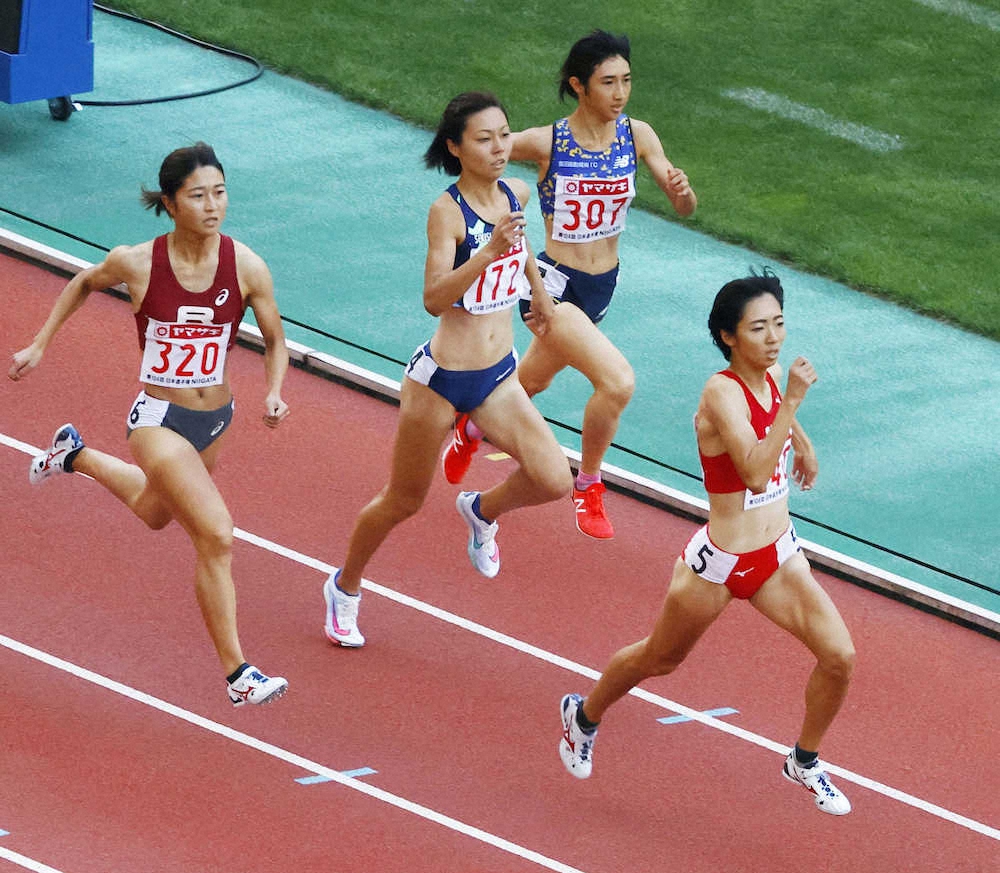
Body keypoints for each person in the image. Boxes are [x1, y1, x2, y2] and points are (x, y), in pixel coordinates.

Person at [557, 271, 856, 816]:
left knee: (839, 657)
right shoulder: (721, 391)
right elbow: (756, 471)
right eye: (759, 328)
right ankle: (584, 714)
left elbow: (773, 421)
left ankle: (804, 760)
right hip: (718, 564)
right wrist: (793, 403)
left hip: (778, 556)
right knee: (658, 658)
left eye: (779, 325)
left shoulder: (766, 381)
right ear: (728, 337)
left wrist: (803, 441)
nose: (773, 338)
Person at [9, 142, 291, 708]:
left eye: (220, 192)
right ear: (170, 202)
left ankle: (74, 455)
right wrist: (41, 342)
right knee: (215, 534)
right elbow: (84, 282)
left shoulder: (247, 266)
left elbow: (277, 341)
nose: (213, 206)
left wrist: (276, 389)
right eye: (198, 196)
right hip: (158, 419)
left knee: (155, 513)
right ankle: (238, 673)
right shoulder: (137, 262)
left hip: (216, 418)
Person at [322, 92, 572, 648]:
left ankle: (481, 511)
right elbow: (434, 298)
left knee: (555, 479)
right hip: (440, 379)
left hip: (497, 376)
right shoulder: (447, 212)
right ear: (456, 148)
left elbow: (520, 242)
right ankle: (345, 587)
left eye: (505, 135)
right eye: (484, 139)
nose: (500, 147)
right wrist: (484, 255)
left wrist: (538, 292)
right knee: (404, 500)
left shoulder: (516, 192)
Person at [442, 29, 697, 540]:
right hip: (552, 289)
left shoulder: (638, 135)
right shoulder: (547, 142)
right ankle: (588, 484)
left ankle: (470, 426)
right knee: (617, 382)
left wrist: (681, 193)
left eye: (626, 81)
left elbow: (684, 205)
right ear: (578, 86)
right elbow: (482, 154)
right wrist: (482, 210)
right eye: (608, 82)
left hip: (602, 287)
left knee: (531, 383)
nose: (620, 93)